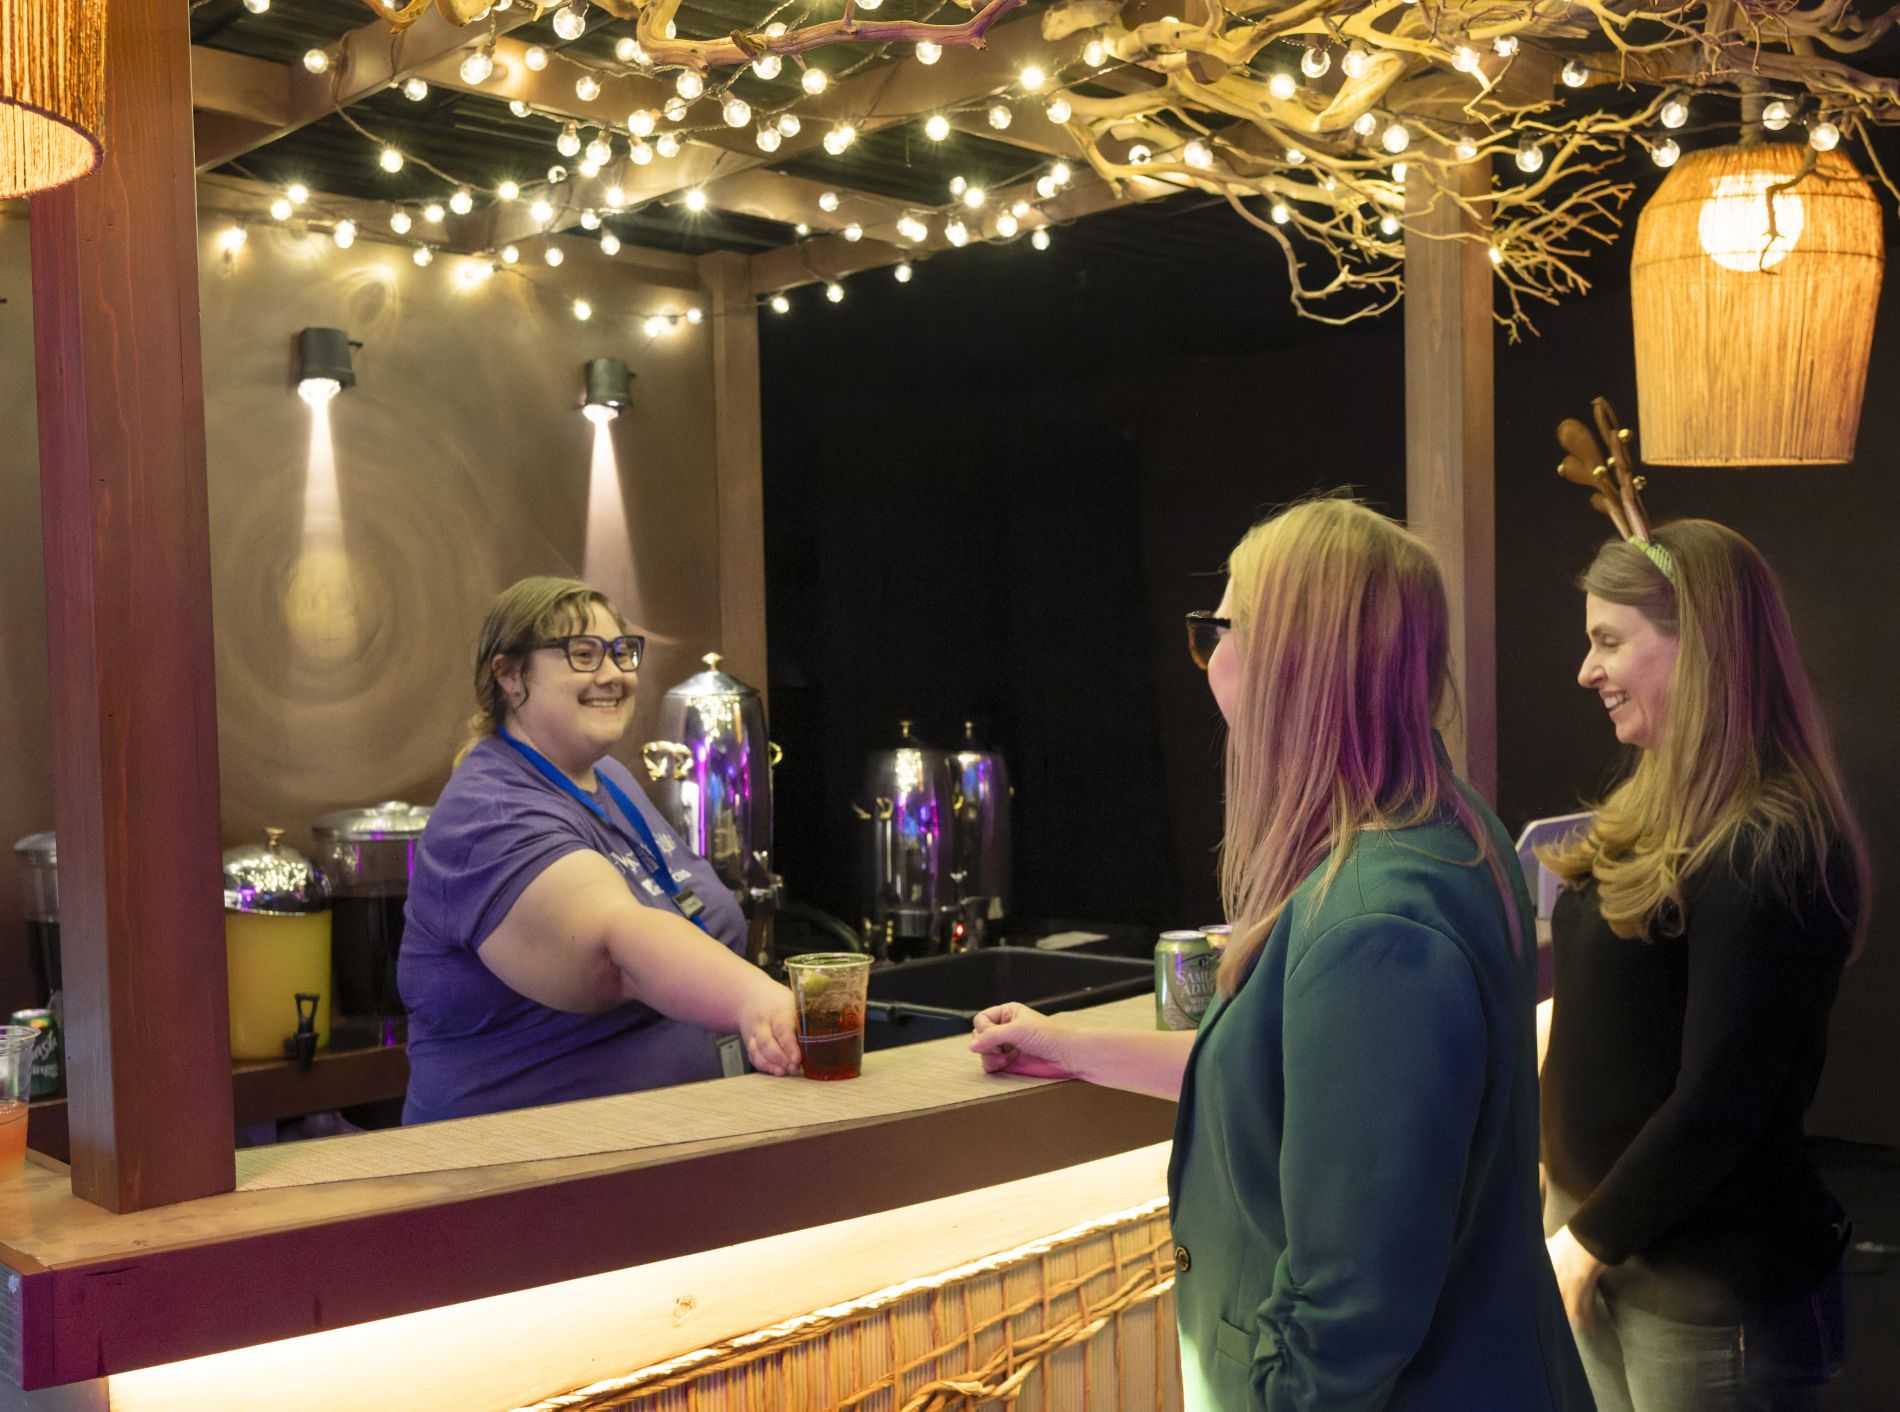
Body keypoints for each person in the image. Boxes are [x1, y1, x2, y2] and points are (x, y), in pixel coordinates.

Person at [971, 498, 1592, 1411]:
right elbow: (1297, 1084)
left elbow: (1351, 1306)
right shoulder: (1450, 830)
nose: (1207, 658)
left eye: (1216, 629)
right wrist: (1067, 1047)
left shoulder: (1374, 925)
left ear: (1288, 658)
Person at [1538, 518, 1866, 1411]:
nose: (1587, 671)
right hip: (1613, 1257)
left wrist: (1585, 1243)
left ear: (1706, 648)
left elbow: (1725, 1095)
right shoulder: (1654, 807)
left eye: (1610, 642)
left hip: (1703, 1289)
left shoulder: (1772, 841)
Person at [400, 576, 800, 1123]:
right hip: (517, 1169)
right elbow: (616, 947)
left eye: (621, 652)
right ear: (511, 675)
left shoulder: (608, 779)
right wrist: (755, 998)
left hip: (663, 1143)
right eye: (582, 655)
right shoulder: (488, 812)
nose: (613, 674)